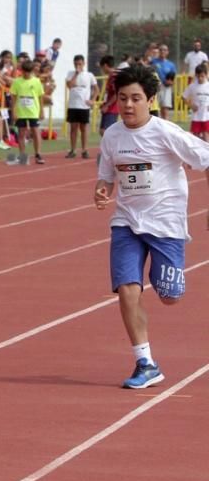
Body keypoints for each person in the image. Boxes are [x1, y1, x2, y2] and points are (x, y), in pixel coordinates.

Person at [94, 63, 209, 389]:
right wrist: (102, 192)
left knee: (169, 295)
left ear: (150, 100)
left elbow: (207, 159)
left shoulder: (166, 133)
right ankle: (145, 361)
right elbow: (106, 177)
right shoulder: (112, 136)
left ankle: (169, 281)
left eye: (135, 98)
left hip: (166, 224)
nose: (127, 105)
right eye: (122, 98)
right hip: (126, 222)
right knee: (127, 289)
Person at [7, 59, 46, 165]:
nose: (27, 74)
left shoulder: (36, 81)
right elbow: (13, 97)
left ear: (32, 71)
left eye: (29, 71)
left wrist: (41, 111)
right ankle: (22, 155)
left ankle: (38, 154)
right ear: (22, 71)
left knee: (35, 132)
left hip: (33, 111)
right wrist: (14, 111)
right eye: (25, 71)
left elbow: (40, 97)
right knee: (21, 133)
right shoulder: (17, 82)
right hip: (21, 111)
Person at [65, 54, 99, 159]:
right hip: (73, 105)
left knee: (84, 128)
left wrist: (92, 100)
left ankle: (84, 150)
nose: (78, 65)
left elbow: (96, 89)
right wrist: (76, 74)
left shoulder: (89, 75)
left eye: (80, 63)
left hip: (84, 106)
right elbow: (69, 86)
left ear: (84, 63)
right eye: (76, 64)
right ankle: (73, 149)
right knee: (73, 128)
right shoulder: (70, 74)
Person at [183, 63, 209, 142]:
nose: (200, 78)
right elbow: (183, 97)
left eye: (202, 76)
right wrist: (191, 105)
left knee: (206, 134)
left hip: (206, 116)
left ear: (206, 74)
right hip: (196, 116)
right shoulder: (192, 86)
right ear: (196, 75)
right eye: (198, 76)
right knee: (195, 136)